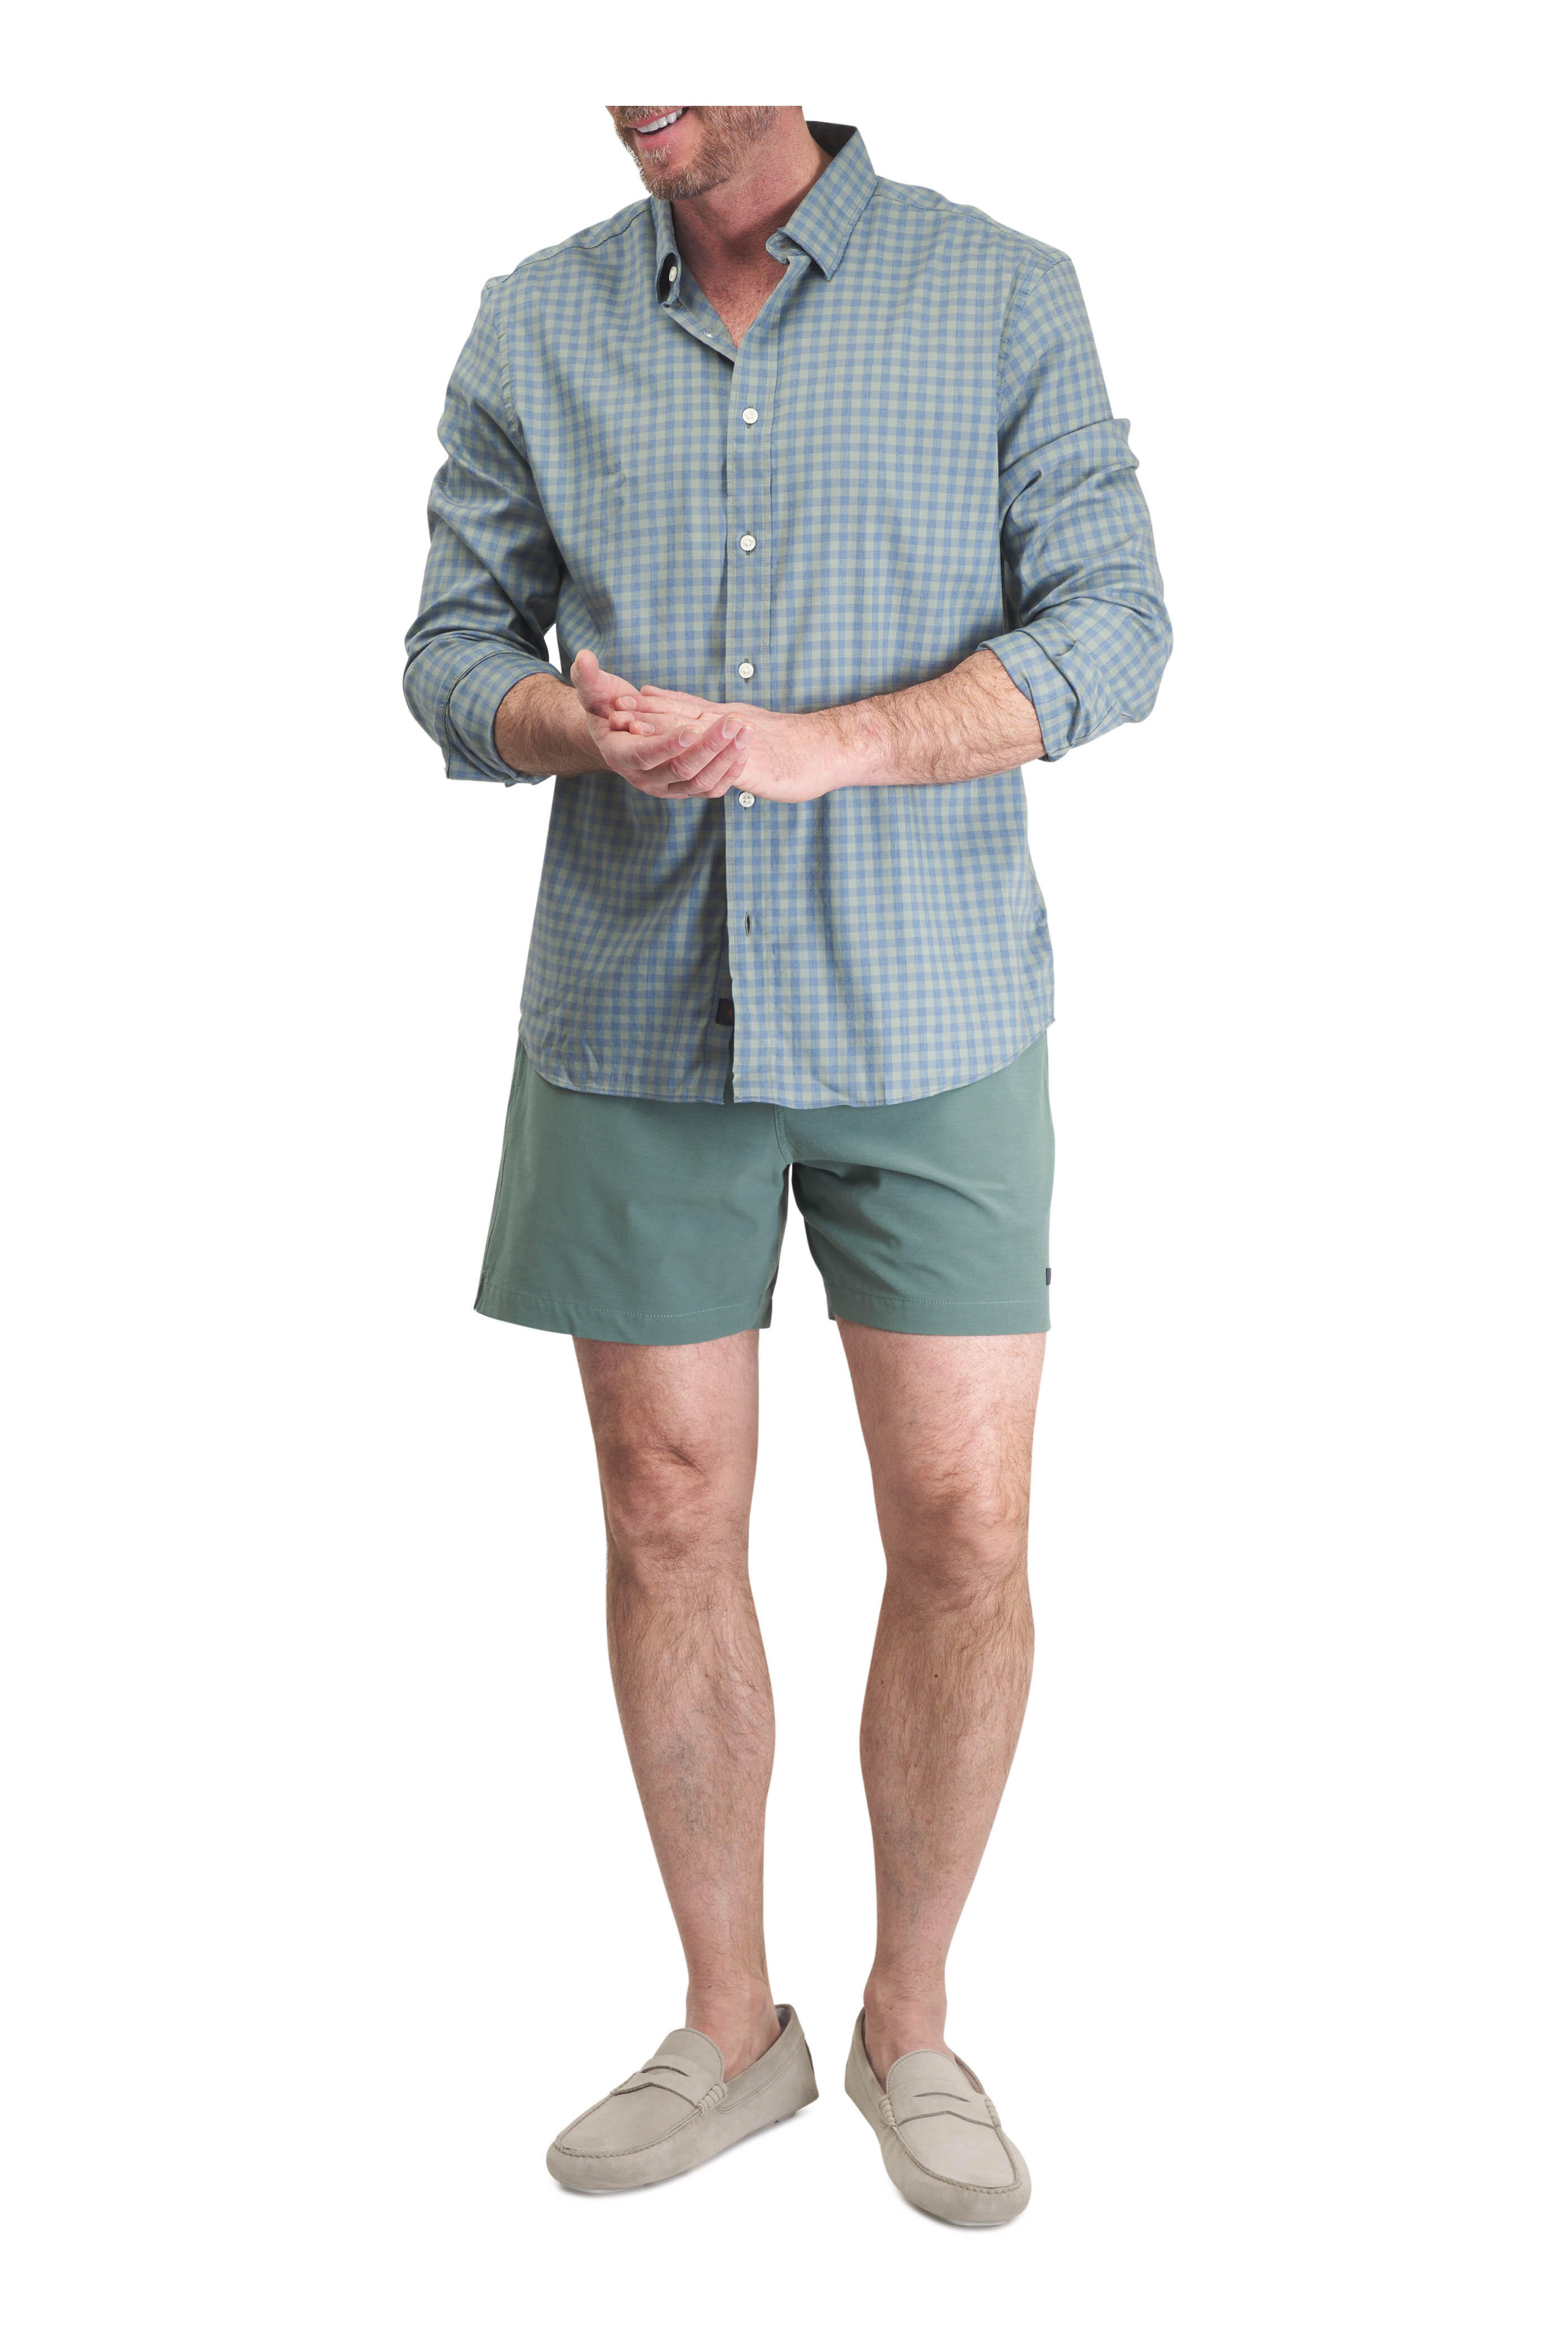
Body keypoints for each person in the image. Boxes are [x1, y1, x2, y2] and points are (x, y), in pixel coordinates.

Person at [404, 105, 1170, 2227]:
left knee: (965, 1521)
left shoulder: (1000, 294)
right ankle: (730, 2025)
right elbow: (451, 653)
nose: (639, 96)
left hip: (933, 1005)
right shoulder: (535, 319)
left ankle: (911, 2026)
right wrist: (566, 723)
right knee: (665, 1513)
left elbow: (1117, 627)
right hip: (636, 1006)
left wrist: (831, 745)